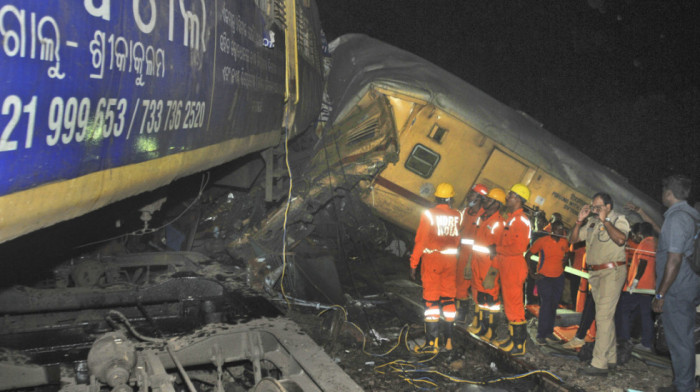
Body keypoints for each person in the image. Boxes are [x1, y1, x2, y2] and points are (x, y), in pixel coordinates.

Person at [571, 192, 630, 376]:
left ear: (608, 207)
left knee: (603, 317)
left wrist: (606, 221)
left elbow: (621, 239)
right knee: (605, 316)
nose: (595, 210)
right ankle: (611, 357)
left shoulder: (619, 219)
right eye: (593, 207)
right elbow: (573, 241)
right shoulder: (592, 223)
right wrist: (579, 221)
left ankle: (599, 363)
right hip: (595, 274)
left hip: (612, 272)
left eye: (598, 207)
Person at [652, 175, 700, 392]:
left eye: (663, 191)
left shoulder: (677, 218)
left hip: (677, 289)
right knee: (681, 338)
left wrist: (661, 294)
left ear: (669, 193)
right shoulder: (690, 216)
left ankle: (684, 387)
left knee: (680, 340)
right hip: (686, 286)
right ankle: (681, 383)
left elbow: (674, 258)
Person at [409, 183, 462, 354]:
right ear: (451, 198)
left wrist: (413, 264)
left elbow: (421, 241)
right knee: (448, 300)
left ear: (436, 197)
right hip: (450, 261)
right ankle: (448, 342)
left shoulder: (429, 214)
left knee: (431, 302)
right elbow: (456, 240)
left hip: (433, 260)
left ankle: (432, 344)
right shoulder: (456, 215)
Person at [491, 183, 532, 356]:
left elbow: (518, 247)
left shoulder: (521, 220)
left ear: (517, 198)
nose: (507, 197)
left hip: (514, 265)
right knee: (509, 305)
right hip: (507, 264)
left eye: (510, 195)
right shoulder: (512, 218)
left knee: (515, 306)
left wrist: (497, 249)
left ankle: (518, 345)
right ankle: (512, 339)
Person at [467, 188, 505, 342]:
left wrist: (493, 272)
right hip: (477, 263)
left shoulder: (498, 223)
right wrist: (469, 262)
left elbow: (499, 250)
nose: (485, 200)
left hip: (488, 266)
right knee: (480, 297)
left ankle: (491, 332)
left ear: (497, 204)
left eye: (489, 199)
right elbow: (476, 242)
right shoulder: (482, 217)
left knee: (492, 301)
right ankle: (481, 326)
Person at [615, 221, 656, 359]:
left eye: (634, 235)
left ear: (640, 233)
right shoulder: (655, 242)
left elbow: (643, 263)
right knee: (646, 315)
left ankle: (625, 339)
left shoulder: (646, 243)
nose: (634, 238)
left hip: (640, 287)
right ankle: (646, 342)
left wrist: (635, 282)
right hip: (649, 286)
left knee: (624, 310)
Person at [526, 220, 570, 345]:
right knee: (546, 305)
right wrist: (531, 273)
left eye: (561, 229)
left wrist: (564, 264)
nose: (560, 231)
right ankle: (541, 334)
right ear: (551, 230)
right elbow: (528, 255)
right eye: (557, 229)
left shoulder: (564, 241)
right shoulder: (542, 241)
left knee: (553, 305)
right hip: (544, 278)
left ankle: (549, 332)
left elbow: (567, 253)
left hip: (558, 278)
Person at [457, 184, 489, 325]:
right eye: (470, 192)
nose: (469, 195)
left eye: (473, 194)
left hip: (474, 256)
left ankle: (477, 320)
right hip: (463, 252)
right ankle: (460, 314)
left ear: (480, 198)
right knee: (459, 284)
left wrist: (470, 261)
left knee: (475, 287)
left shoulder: (483, 216)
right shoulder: (466, 211)